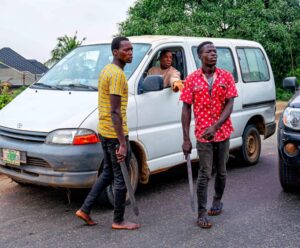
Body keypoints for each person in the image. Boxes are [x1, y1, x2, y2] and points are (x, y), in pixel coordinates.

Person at [75, 36, 140, 230]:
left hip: (104, 130)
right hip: (114, 133)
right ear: (115, 52)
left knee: (108, 173)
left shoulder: (107, 70)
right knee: (120, 177)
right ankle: (118, 220)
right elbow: (115, 111)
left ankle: (85, 209)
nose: (130, 53)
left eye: (131, 49)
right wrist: (122, 142)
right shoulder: (117, 75)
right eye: (126, 50)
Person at [180, 41, 238, 229]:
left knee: (221, 171)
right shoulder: (191, 80)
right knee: (205, 173)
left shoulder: (226, 76)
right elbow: (186, 109)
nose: (213, 54)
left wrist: (217, 126)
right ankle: (202, 213)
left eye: (215, 51)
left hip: (223, 132)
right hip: (203, 135)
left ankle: (217, 201)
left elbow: (230, 104)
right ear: (200, 56)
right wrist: (186, 138)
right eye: (209, 51)